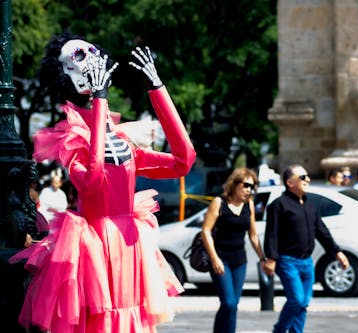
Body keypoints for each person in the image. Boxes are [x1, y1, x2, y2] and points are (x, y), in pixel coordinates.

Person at [10, 33, 196, 333]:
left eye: (93, 51)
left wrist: (157, 88)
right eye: (80, 56)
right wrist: (99, 100)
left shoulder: (122, 139)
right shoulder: (70, 139)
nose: (92, 59)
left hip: (131, 243)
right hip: (94, 249)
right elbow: (92, 180)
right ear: (66, 75)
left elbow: (183, 160)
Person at [263, 164, 349, 333]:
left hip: (307, 262)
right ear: (290, 182)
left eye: (307, 176)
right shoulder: (279, 205)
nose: (307, 180)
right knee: (296, 299)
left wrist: (337, 252)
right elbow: (271, 234)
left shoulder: (310, 205)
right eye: (303, 177)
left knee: (304, 304)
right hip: (288, 261)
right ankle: (279, 330)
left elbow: (322, 231)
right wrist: (271, 258)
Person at [201, 167, 265, 333]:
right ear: (235, 184)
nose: (248, 190)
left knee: (232, 306)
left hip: (240, 261)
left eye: (252, 187)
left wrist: (263, 258)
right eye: (245, 185)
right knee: (229, 303)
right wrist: (214, 259)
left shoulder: (248, 205)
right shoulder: (219, 203)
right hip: (221, 259)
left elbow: (253, 235)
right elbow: (206, 231)